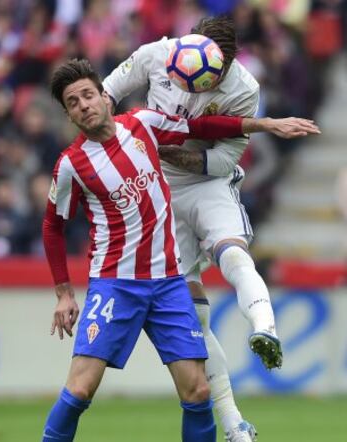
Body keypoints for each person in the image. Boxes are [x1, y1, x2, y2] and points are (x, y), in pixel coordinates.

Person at [41, 58, 318, 442]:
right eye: (73, 102)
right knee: (80, 389)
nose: (83, 105)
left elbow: (201, 126)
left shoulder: (142, 124)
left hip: (169, 284)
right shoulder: (72, 165)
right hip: (115, 285)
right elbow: (53, 225)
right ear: (70, 115)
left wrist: (264, 125)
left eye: (88, 95)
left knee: (198, 391)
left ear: (105, 98)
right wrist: (63, 292)